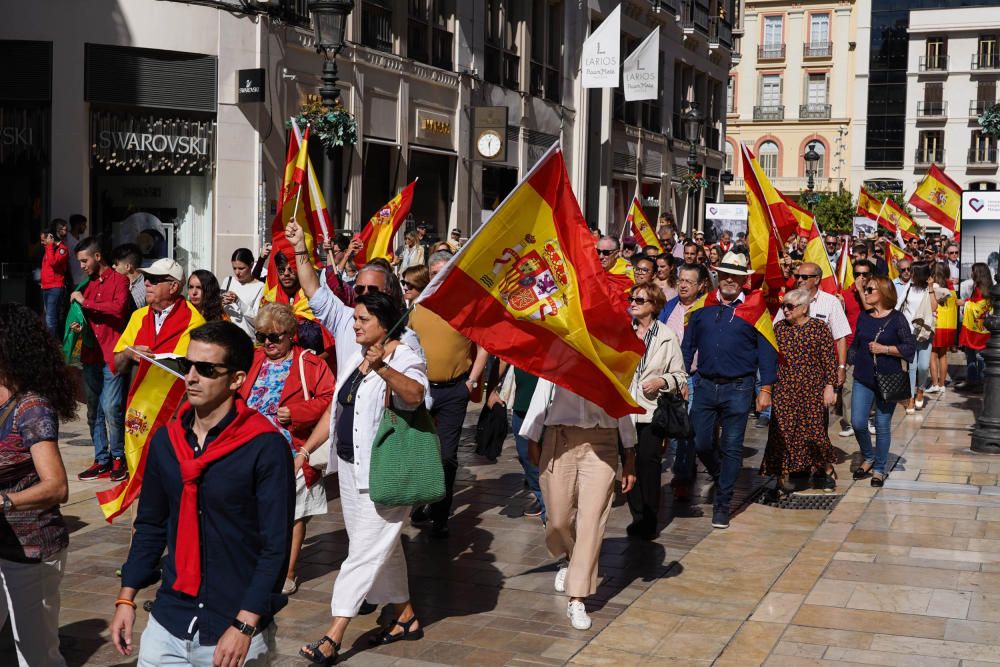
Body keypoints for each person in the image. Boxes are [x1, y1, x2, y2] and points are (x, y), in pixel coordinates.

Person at [110, 321, 293, 665]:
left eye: (206, 369)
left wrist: (245, 623)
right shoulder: (167, 441)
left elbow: (275, 547)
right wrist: (127, 597)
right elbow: (150, 525)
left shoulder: (265, 447)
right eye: (187, 365)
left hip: (234, 626)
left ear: (236, 379)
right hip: (169, 620)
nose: (191, 377)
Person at [297, 293, 429, 664]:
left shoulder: (404, 356)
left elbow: (416, 394)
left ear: (386, 325)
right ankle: (405, 616)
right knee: (378, 548)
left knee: (361, 553)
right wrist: (307, 450)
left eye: (362, 320)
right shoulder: (356, 357)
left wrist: (384, 368)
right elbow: (335, 407)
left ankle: (333, 634)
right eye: (354, 319)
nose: (354, 325)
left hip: (386, 473)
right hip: (351, 470)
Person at [520, 379, 637, 631]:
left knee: (592, 521)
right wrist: (532, 435)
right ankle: (570, 558)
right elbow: (543, 390)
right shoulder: (561, 347)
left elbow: (625, 402)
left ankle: (578, 597)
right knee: (559, 520)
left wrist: (629, 453)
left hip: (602, 443)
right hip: (559, 439)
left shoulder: (614, 354)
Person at [239, 303, 334, 595]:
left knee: (294, 514)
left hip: (293, 451)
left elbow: (331, 400)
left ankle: (288, 573)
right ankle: (254, 565)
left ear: (291, 335)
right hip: (250, 451)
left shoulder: (310, 363)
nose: (267, 342)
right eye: (261, 336)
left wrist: (298, 412)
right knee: (252, 512)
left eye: (274, 337)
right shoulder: (252, 360)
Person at [0, 303, 75, 667]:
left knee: (35, 653)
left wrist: (5, 502)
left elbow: (57, 486)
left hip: (31, 551)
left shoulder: (31, 408)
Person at [682, 252, 777, 529]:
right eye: (725, 274)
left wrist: (766, 389)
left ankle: (722, 504)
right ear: (717, 276)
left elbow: (767, 352)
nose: (729, 280)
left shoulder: (756, 308)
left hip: (739, 387)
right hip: (704, 385)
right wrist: (680, 378)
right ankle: (722, 474)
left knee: (732, 445)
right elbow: (688, 347)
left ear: (743, 280)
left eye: (735, 276)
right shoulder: (702, 307)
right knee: (701, 442)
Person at [409, 251, 488, 538]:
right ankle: (419, 500)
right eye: (434, 273)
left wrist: (472, 380)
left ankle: (440, 513)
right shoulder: (416, 306)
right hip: (420, 390)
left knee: (446, 456)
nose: (439, 278)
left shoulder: (467, 306)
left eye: (444, 272)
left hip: (454, 390)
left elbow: (483, 347)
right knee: (418, 452)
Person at [626, 283, 687, 540]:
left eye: (640, 300)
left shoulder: (666, 336)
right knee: (628, 465)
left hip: (651, 411)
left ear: (654, 305)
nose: (634, 303)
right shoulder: (622, 332)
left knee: (648, 465)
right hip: (624, 411)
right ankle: (636, 516)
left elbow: (679, 375)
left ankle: (649, 520)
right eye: (632, 298)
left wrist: (661, 382)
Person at [762, 289, 838, 492]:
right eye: (783, 306)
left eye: (790, 306)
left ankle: (825, 469)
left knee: (815, 432)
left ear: (804, 308)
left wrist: (830, 387)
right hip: (784, 390)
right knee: (783, 433)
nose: (785, 310)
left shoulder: (819, 328)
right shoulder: (778, 329)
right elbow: (769, 359)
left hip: (812, 390)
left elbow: (829, 360)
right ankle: (782, 476)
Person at [71, 237, 132, 483]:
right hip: (91, 353)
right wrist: (78, 325)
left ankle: (118, 458)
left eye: (84, 260)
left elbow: (118, 309)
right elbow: (87, 317)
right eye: (80, 262)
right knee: (94, 409)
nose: (82, 266)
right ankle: (101, 459)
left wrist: (87, 303)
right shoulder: (86, 284)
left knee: (111, 407)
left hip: (112, 354)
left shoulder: (120, 280)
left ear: (97, 257)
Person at [849, 276, 915, 486]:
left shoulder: (897, 319)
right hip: (863, 377)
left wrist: (885, 349)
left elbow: (909, 348)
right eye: (866, 289)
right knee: (858, 422)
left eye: (870, 290)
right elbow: (856, 344)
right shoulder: (864, 316)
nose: (865, 293)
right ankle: (869, 456)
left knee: (882, 424)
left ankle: (879, 469)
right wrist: (842, 365)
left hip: (889, 378)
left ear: (883, 293)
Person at [662, 263, 709, 500]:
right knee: (673, 427)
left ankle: (683, 473)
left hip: (694, 377)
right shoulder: (669, 308)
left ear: (701, 286)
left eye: (689, 281)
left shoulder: (707, 309)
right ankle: (682, 466)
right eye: (681, 280)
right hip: (668, 378)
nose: (683, 285)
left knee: (687, 427)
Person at [773, 262, 850, 395]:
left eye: (804, 277)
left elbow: (840, 337)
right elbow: (776, 330)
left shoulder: (831, 302)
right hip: (787, 375)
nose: (800, 280)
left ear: (817, 279)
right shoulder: (789, 300)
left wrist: (841, 367)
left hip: (817, 377)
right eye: (797, 277)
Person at [897, 262, 933, 412]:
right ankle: (911, 398)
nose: (909, 274)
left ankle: (921, 390)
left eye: (912, 272)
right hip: (909, 333)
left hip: (925, 333)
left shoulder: (931, 288)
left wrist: (931, 288)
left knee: (923, 367)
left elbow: (935, 307)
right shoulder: (909, 287)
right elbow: (898, 305)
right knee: (911, 367)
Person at [957, 262, 994, 389]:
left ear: (978, 273)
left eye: (973, 271)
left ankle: (981, 382)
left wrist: (964, 303)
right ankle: (972, 379)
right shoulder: (979, 287)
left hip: (980, 329)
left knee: (979, 355)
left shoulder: (983, 290)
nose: (971, 273)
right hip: (978, 327)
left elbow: (978, 307)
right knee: (970, 353)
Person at [221, 248, 265, 338]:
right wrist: (220, 302)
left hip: (245, 339)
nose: (237, 272)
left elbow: (256, 320)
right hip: (224, 336)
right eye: (234, 268)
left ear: (251, 265)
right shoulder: (228, 281)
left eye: (241, 268)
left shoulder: (260, 286)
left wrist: (238, 301)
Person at [928, 261, 957, 394]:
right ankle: (942, 384)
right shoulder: (951, 287)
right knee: (943, 355)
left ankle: (934, 384)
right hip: (948, 325)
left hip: (936, 323)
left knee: (932, 354)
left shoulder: (933, 287)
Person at [40, 219, 70, 337]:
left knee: (50, 319)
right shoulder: (49, 248)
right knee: (48, 316)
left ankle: (52, 345)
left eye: (44, 240)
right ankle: (53, 342)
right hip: (46, 286)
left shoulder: (62, 249)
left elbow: (53, 262)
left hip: (55, 287)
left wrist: (49, 246)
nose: (43, 243)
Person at [112, 243, 147, 310]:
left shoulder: (144, 287)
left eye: (116, 264)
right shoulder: (118, 283)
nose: (113, 266)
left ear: (127, 266)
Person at [64, 214, 88, 287]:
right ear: (77, 225)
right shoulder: (67, 239)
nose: (85, 227)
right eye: (83, 224)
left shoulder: (81, 239)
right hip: (73, 281)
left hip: (83, 279)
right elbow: (65, 260)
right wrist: (69, 279)